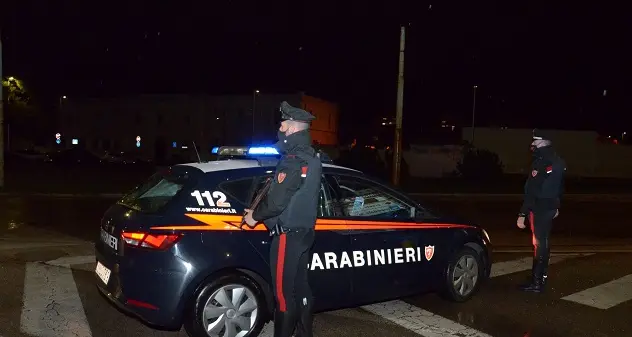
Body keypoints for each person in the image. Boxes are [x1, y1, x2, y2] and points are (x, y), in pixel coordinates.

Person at [243, 101, 322, 337]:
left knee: (283, 296)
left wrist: (254, 217)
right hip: (306, 232)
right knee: (301, 287)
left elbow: (277, 202)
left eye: (283, 123)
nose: (280, 127)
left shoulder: (292, 161)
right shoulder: (312, 158)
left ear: (292, 128)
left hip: (287, 235)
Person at [516, 129, 566, 293]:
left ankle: (536, 282)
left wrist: (522, 214)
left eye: (536, 142)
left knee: (538, 244)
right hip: (550, 207)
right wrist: (557, 205)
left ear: (544, 143)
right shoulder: (557, 160)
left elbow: (532, 190)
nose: (532, 145)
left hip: (539, 208)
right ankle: (541, 277)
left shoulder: (541, 161)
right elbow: (560, 186)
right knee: (544, 242)